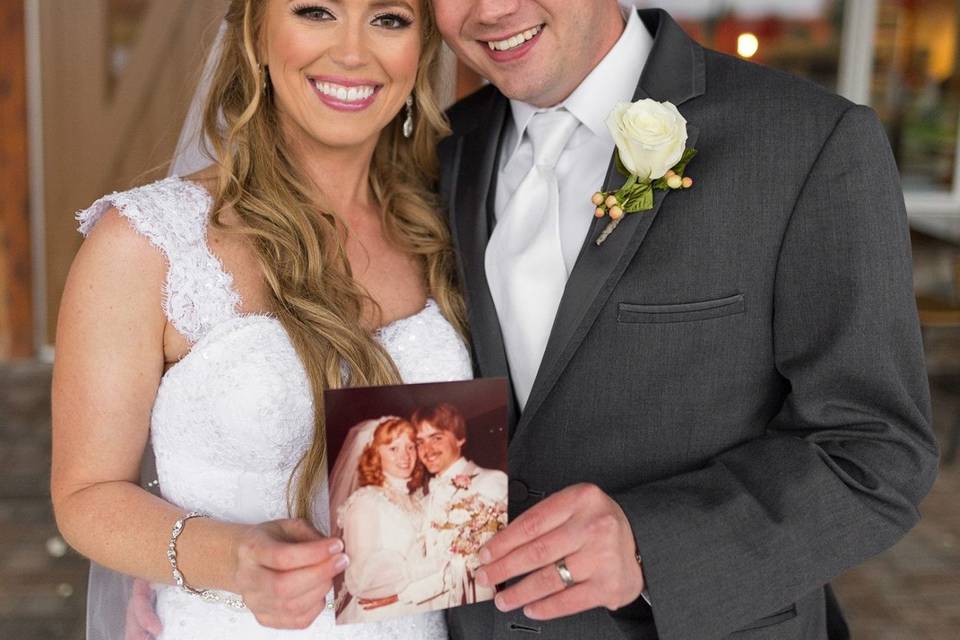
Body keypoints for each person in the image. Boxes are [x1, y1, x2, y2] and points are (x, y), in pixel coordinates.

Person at [431, 1, 939, 639]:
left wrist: (649, 546)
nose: (494, 9)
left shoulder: (807, 141)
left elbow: (877, 451)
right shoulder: (438, 146)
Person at [49, 1, 471, 639]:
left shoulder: (452, 226)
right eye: (315, 11)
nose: (354, 52)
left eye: (388, 18)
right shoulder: (148, 244)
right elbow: (86, 495)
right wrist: (231, 557)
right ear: (255, 31)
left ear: (423, 46)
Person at [333, 417, 450, 624]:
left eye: (410, 447)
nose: (405, 456)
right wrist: (433, 565)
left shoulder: (417, 500)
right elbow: (361, 578)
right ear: (375, 453)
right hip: (384, 616)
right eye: (393, 449)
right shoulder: (365, 502)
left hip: (426, 603)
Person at [412, 403, 508, 608]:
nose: (427, 451)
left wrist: (403, 596)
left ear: (460, 438)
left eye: (436, 438)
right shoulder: (422, 499)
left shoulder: (492, 481)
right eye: (420, 442)